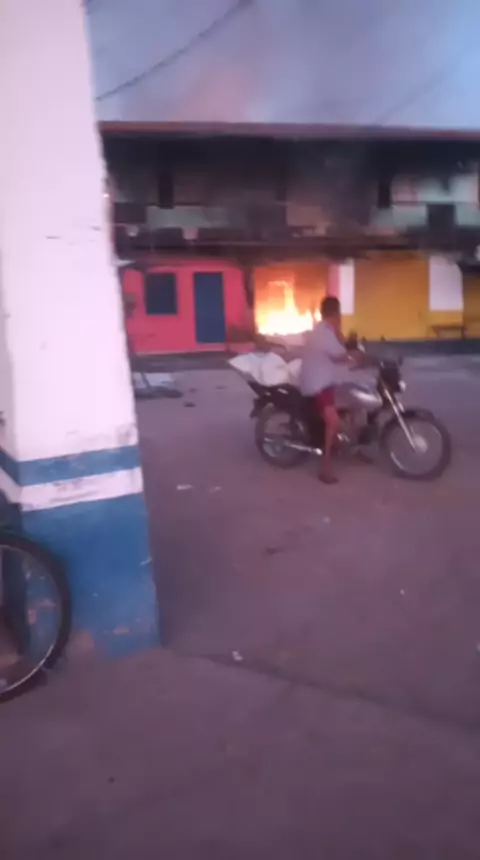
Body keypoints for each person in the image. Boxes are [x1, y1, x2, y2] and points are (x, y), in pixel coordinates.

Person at [298, 296, 359, 484]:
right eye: (339, 315)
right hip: (317, 384)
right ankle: (324, 469)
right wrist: (357, 357)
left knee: (353, 403)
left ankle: (347, 447)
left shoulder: (326, 329)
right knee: (333, 422)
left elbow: (341, 347)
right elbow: (340, 355)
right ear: (336, 314)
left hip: (325, 380)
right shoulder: (323, 333)